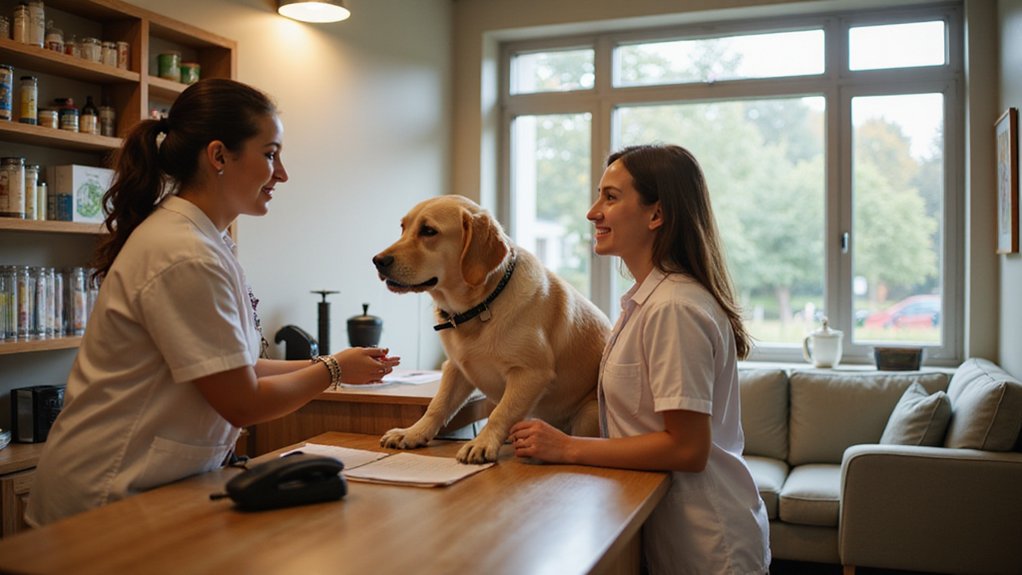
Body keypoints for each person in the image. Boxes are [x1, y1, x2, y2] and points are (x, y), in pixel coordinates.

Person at [25, 78, 400, 527]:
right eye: (270, 154)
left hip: (150, 488)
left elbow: (233, 366)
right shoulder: (184, 253)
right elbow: (242, 401)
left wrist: (335, 364)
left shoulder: (205, 241)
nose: (281, 173)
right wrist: (333, 371)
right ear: (219, 155)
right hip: (103, 496)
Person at [508, 144, 770, 574]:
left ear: (656, 215)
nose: (594, 212)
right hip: (669, 530)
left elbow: (688, 448)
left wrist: (569, 448)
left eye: (610, 198)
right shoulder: (646, 303)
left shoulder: (675, 308)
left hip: (708, 542)